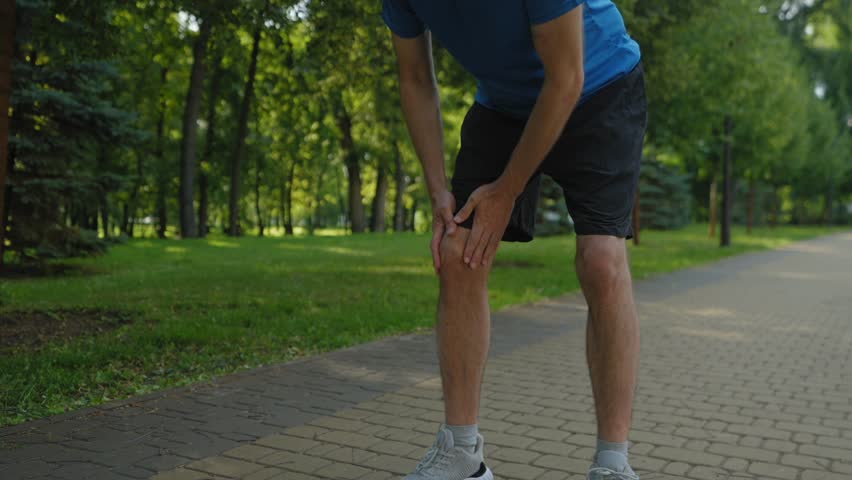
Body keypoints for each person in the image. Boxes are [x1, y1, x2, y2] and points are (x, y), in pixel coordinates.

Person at [381, 1, 646, 479]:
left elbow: (566, 79)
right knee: (457, 251)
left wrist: (507, 190)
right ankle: (463, 454)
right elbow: (415, 78)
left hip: (599, 84)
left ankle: (613, 462)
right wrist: (438, 186)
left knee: (601, 262)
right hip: (505, 104)